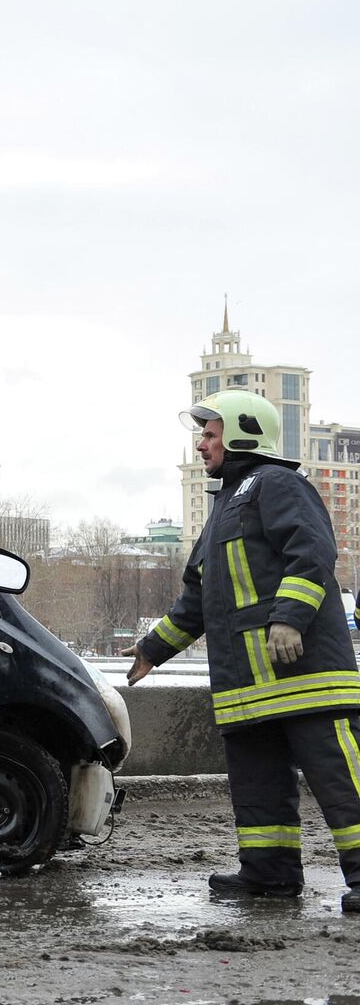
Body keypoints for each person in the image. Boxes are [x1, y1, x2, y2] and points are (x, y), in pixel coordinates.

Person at [128, 389, 360, 910]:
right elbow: (198, 599)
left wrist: (290, 619)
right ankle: (270, 876)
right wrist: (151, 650)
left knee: (343, 781)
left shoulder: (277, 484)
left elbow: (313, 551)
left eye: (210, 434)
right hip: (248, 689)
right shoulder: (224, 508)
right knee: (258, 790)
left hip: (305, 677)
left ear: (242, 433)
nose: (201, 444)